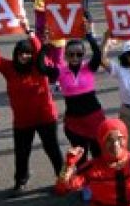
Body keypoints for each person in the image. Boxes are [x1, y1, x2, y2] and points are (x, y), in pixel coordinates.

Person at [0, 27, 63, 196]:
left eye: (28, 53)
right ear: (16, 54)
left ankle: (63, 178)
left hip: (45, 117)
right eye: (21, 53)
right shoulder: (10, 69)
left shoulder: (39, 66)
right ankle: (21, 181)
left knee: (53, 148)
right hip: (22, 121)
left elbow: (38, 49)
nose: (24, 56)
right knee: (22, 152)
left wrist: (30, 33)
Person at [38, 31, 107, 162]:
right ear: (65, 55)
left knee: (99, 155)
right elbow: (41, 67)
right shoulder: (60, 71)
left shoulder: (89, 67)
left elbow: (97, 55)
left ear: (83, 55)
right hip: (75, 122)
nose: (75, 57)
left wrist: (89, 36)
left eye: (79, 54)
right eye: (71, 54)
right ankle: (84, 182)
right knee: (80, 158)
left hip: (95, 119)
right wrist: (45, 46)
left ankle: (99, 182)